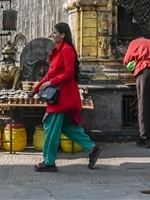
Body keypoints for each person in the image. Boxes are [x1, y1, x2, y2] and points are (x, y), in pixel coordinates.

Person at [32, 22, 102, 172]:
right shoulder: (59, 50)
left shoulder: (67, 50)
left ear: (63, 35)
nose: (52, 35)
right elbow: (49, 75)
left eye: (55, 32)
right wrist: (35, 89)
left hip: (62, 97)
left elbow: (69, 74)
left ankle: (49, 162)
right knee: (66, 127)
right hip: (59, 95)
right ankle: (92, 148)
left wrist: (50, 82)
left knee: (50, 128)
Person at [122, 37, 150, 148]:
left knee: (143, 105)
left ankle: (145, 140)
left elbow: (126, 60)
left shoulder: (134, 43)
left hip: (145, 70)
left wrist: (133, 67)